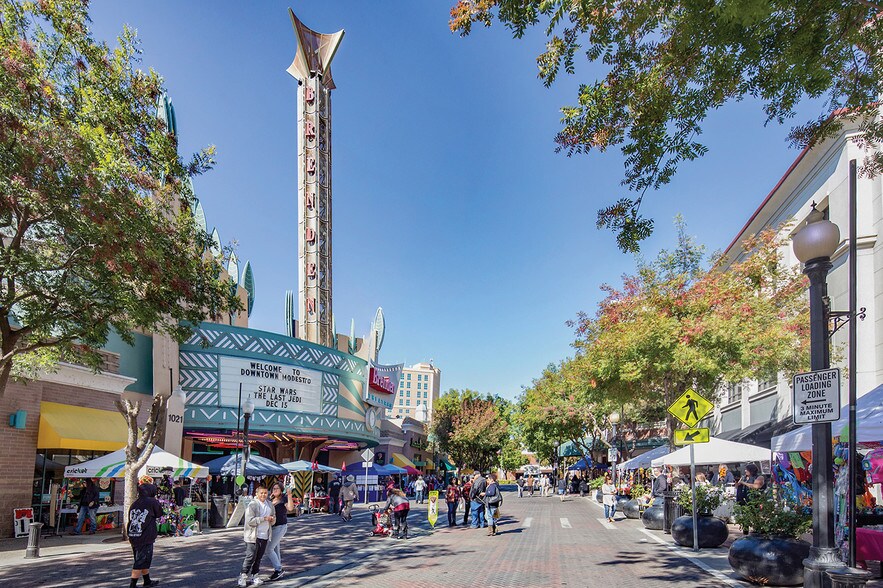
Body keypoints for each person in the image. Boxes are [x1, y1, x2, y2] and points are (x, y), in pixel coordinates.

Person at [237, 485, 275, 588]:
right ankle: (243, 576)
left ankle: (255, 575)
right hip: (253, 535)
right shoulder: (253, 505)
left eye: (265, 493)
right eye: (261, 493)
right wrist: (263, 519)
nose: (263, 495)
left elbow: (273, 518)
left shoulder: (270, 505)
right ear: (257, 494)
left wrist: (272, 519)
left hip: (265, 535)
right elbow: (250, 521)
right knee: (250, 556)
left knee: (259, 557)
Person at [127, 482, 163, 588]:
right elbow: (159, 513)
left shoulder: (135, 503)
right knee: (141, 560)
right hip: (145, 535)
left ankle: (147, 580)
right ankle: (132, 584)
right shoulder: (152, 501)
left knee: (142, 559)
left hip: (133, 534)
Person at [264, 481, 295, 582]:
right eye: (274, 488)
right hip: (271, 527)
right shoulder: (271, 499)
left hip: (280, 526)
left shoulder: (284, 498)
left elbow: (290, 508)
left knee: (269, 549)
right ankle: (278, 569)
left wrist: (289, 495)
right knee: (275, 549)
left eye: (277, 488)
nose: (275, 490)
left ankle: (278, 569)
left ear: (281, 490)